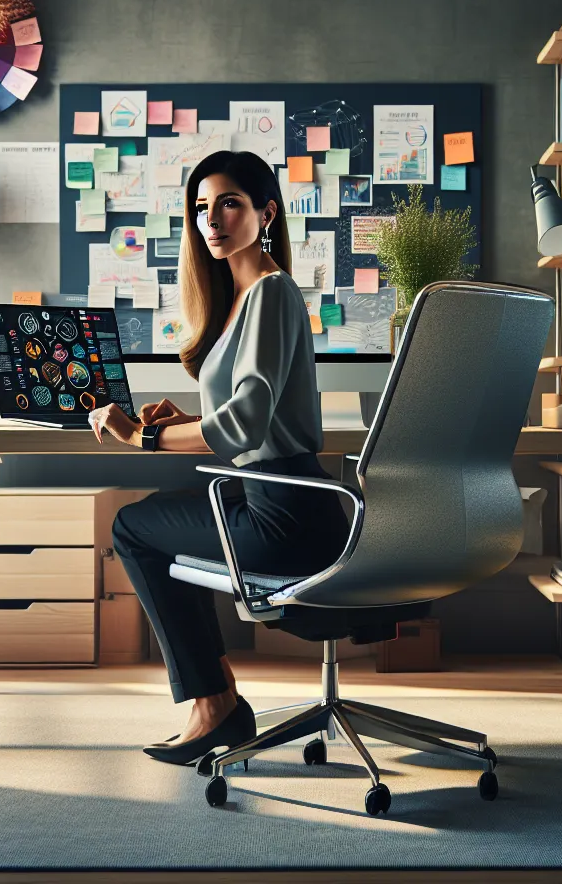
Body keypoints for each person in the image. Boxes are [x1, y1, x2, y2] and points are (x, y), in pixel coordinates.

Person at [88, 150, 347, 767]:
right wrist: (183, 420)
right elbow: (249, 414)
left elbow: (244, 425)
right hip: (281, 500)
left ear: (267, 213)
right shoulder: (243, 296)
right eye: (202, 207)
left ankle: (214, 704)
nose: (212, 219)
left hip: (286, 515)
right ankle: (216, 698)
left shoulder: (271, 292)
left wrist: (141, 438)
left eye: (229, 203)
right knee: (151, 521)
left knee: (133, 528)